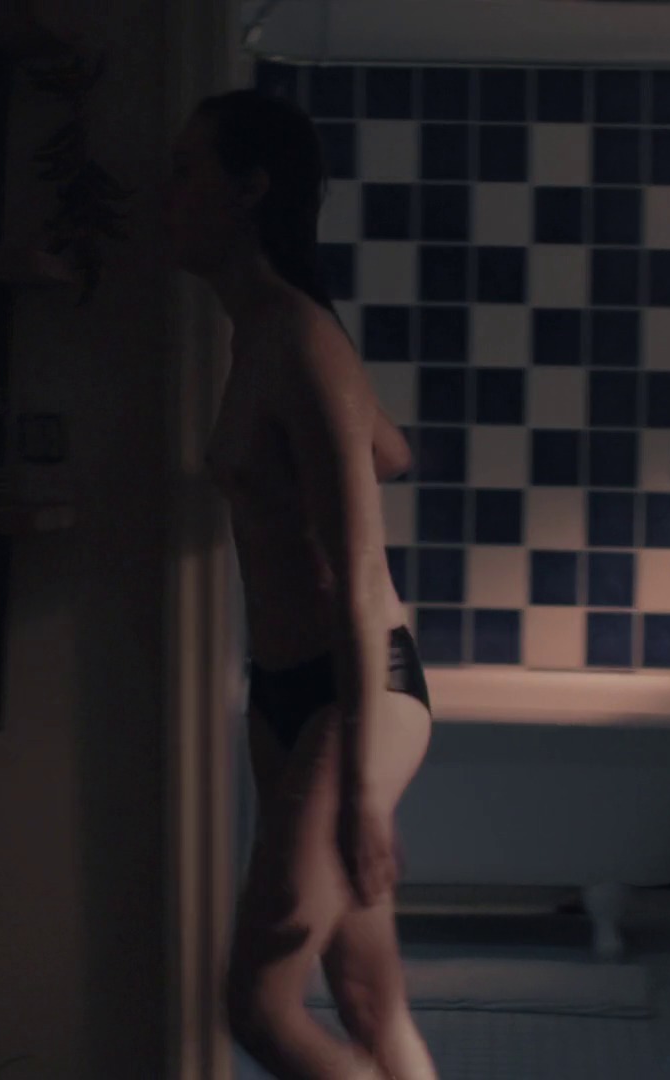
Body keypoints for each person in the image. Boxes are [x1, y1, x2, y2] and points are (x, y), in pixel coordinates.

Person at [162, 88, 440, 1080]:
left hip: (353, 693)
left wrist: (363, 788)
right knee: (367, 1000)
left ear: (250, 188)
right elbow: (391, 453)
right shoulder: (268, 337)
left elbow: (361, 575)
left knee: (259, 1005)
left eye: (185, 171)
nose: (167, 195)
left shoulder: (298, 337)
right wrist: (345, 430)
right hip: (285, 693)